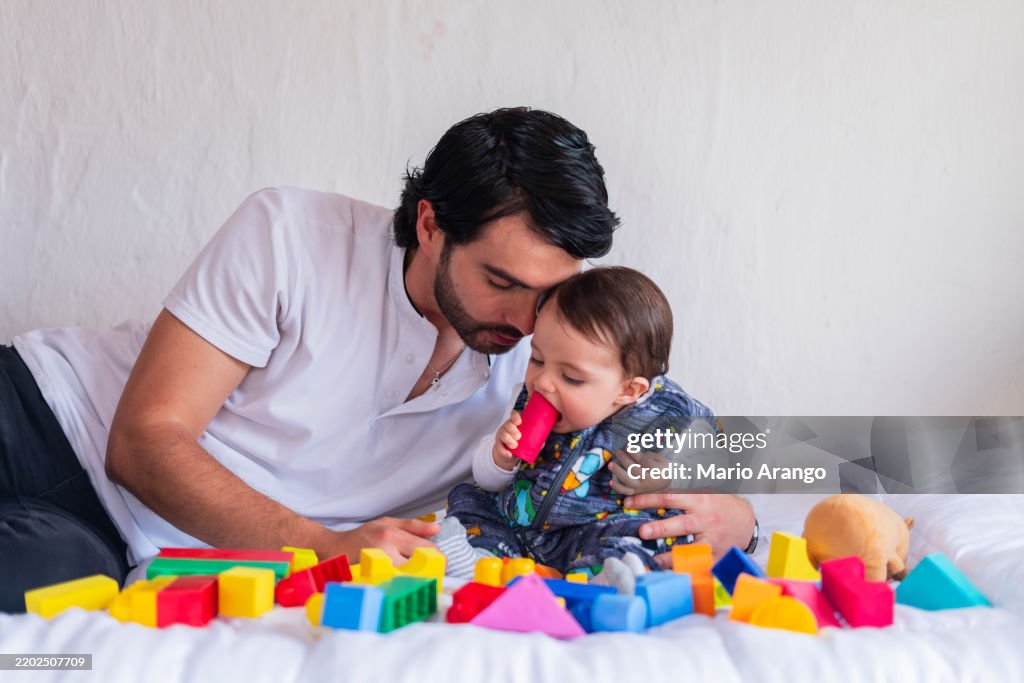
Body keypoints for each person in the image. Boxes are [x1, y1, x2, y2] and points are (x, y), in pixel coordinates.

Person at [0, 107, 753, 613]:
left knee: (38, 591)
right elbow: (141, 442)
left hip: (117, 540)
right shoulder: (289, 235)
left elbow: (687, 427)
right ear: (429, 224)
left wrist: (740, 510)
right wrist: (325, 546)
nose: (528, 322)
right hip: (39, 414)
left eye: (550, 293)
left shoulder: (549, 362)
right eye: (501, 282)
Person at [434, 267, 743, 589]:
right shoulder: (525, 397)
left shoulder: (673, 417)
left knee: (645, 534)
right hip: (519, 525)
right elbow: (489, 480)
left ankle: (612, 574)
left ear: (628, 390)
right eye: (537, 359)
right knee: (470, 497)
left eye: (572, 378)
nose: (543, 383)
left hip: (594, 529)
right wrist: (500, 459)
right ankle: (479, 558)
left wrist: (670, 479)